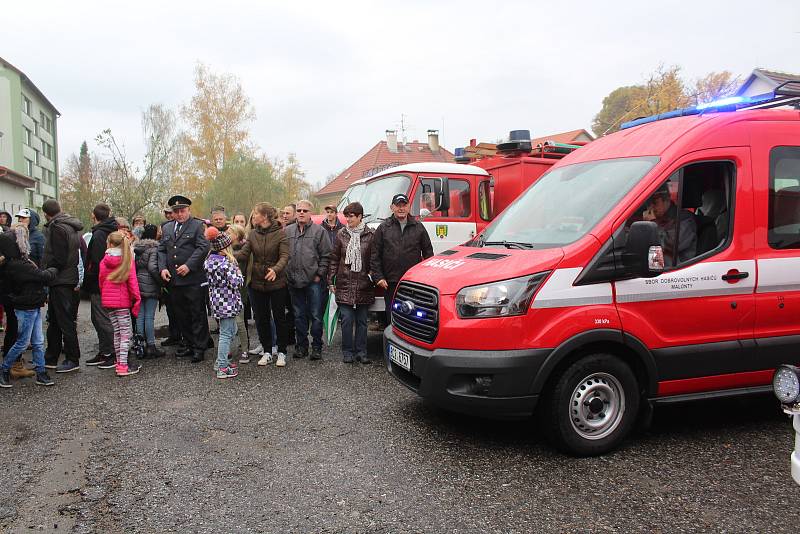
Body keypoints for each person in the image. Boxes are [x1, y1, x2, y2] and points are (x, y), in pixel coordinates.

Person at [0, 224, 58, 388]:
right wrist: (55, 268)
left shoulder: (19, 263)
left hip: (32, 305)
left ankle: (40, 372)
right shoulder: (18, 265)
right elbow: (42, 276)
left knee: (38, 342)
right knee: (23, 343)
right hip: (25, 307)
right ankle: (4, 369)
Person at [234, 202, 290, 367]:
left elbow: (285, 256)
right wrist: (227, 254)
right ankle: (267, 351)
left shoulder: (281, 234)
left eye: (255, 213)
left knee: (279, 318)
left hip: (277, 282)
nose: (253, 216)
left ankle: (281, 352)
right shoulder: (252, 234)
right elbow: (244, 254)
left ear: (264, 216)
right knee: (261, 318)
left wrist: (275, 269)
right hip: (257, 283)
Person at [157, 195, 210, 363]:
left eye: (183, 211)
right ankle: (188, 343)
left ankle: (199, 348)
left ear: (188, 210)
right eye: (176, 211)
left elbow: (203, 247)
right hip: (174, 280)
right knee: (181, 314)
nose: (180, 214)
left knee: (197, 313)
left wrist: (189, 265)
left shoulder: (196, 225)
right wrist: (163, 268)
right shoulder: (166, 228)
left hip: (193, 278)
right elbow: (162, 250)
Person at [371, 193, 434, 326]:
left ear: (409, 207)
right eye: (398, 205)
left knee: (414, 315)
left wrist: (426, 277)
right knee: (392, 315)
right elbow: (375, 255)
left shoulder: (418, 227)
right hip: (390, 282)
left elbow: (429, 254)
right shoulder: (383, 228)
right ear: (392, 207)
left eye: (404, 205)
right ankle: (393, 341)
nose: (401, 208)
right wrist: (379, 278)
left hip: (413, 282)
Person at [328, 202, 375, 364]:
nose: (348, 219)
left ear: (360, 216)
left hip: (363, 284)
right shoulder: (341, 234)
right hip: (344, 283)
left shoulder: (371, 235)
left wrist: (371, 274)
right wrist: (331, 280)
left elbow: (375, 259)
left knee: (362, 321)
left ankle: (362, 352)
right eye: (346, 216)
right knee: (347, 320)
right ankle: (347, 351)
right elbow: (334, 259)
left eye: (351, 216)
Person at [41, 199, 84, 373]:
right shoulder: (70, 225)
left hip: (60, 279)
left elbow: (59, 257)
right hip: (67, 277)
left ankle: (72, 358)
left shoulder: (58, 228)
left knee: (64, 321)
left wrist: (48, 272)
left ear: (46, 213)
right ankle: (51, 356)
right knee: (56, 320)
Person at [285, 200, 331, 361]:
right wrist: (286, 273)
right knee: (298, 315)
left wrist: (319, 275)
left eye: (305, 210)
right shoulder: (287, 231)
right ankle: (301, 346)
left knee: (316, 315)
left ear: (311, 212)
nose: (301, 213)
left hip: (314, 281)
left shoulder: (320, 231)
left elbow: (326, 255)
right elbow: (283, 255)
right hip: (293, 280)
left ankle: (317, 346)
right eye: (299, 210)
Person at [100, 231, 142, 376]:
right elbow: (132, 282)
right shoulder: (126, 260)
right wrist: (136, 298)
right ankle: (123, 365)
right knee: (126, 334)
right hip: (122, 302)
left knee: (117, 333)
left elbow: (101, 280)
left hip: (108, 301)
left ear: (109, 244)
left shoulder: (104, 260)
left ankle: (119, 361)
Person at [204, 227, 243, 379]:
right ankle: (222, 366)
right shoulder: (226, 264)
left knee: (229, 330)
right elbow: (236, 282)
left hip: (217, 300)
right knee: (226, 334)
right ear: (226, 247)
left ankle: (222, 361)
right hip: (228, 301)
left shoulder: (209, 261)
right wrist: (239, 273)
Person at [84, 203, 119, 368]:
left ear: (94, 215)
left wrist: (95, 280)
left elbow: (98, 262)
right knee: (99, 319)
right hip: (104, 282)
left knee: (102, 319)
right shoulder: (108, 231)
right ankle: (105, 351)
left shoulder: (99, 235)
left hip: (100, 284)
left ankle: (111, 353)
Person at [643, 184, 697, 266]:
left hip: (677, 271)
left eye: (655, 202)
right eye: (648, 204)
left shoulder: (683, 219)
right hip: (656, 268)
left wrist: (652, 226)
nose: (651, 207)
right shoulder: (658, 218)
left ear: (667, 200)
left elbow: (670, 246)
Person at [134, 224, 165, 359]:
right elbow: (153, 268)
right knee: (149, 316)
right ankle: (151, 346)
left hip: (138, 284)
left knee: (140, 316)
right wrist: (161, 282)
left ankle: (140, 346)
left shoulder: (137, 249)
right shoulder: (154, 249)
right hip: (150, 285)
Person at [227, 224, 253, 363]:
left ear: (236, 236)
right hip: (226, 291)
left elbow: (240, 273)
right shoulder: (225, 250)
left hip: (239, 291)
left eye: (229, 232)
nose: (226, 234)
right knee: (227, 323)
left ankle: (245, 349)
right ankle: (228, 349)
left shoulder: (243, 251)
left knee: (239, 322)